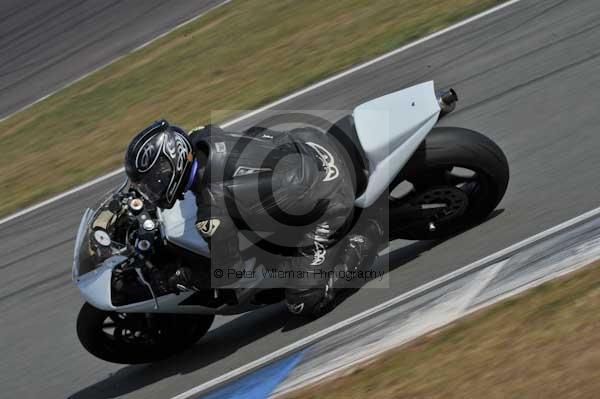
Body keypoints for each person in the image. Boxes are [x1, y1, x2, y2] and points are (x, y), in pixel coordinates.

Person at [124, 119, 383, 317]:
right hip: (310, 142)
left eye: (154, 181)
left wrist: (183, 278)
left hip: (330, 198)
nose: (152, 190)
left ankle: (368, 233)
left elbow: (229, 274)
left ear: (173, 163)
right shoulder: (202, 138)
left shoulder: (212, 211)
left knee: (303, 299)